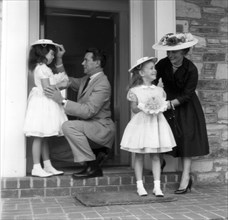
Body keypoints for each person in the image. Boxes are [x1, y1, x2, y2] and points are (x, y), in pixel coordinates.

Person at [44, 47, 115, 179]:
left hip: (101, 129)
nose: (82, 63)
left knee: (67, 126)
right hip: (88, 129)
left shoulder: (103, 84)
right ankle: (96, 154)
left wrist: (62, 100)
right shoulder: (86, 80)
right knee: (55, 152)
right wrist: (59, 59)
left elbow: (88, 111)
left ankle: (92, 166)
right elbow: (67, 80)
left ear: (97, 63)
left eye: (86, 60)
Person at [152, 33, 209, 194]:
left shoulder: (191, 69)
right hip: (167, 103)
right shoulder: (163, 64)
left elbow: (186, 95)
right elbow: (153, 81)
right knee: (162, 135)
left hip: (186, 106)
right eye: (168, 52)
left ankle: (186, 177)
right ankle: (159, 162)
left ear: (184, 51)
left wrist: (169, 104)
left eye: (174, 52)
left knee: (186, 139)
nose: (170, 55)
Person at [120, 57, 176, 197]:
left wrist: (159, 106)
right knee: (139, 155)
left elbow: (163, 105)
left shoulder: (159, 91)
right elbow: (134, 109)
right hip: (142, 124)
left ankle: (157, 186)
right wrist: (145, 106)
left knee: (156, 156)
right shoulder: (135, 91)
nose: (154, 70)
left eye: (154, 68)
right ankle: (140, 185)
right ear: (141, 73)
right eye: (151, 68)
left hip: (156, 124)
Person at [24, 39, 69, 177]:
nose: (53, 56)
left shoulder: (44, 68)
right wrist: (61, 85)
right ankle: (36, 167)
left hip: (45, 103)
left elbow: (59, 78)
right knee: (39, 136)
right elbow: (47, 89)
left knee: (45, 136)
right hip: (42, 104)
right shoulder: (42, 68)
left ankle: (47, 165)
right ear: (43, 53)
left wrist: (62, 81)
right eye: (51, 54)